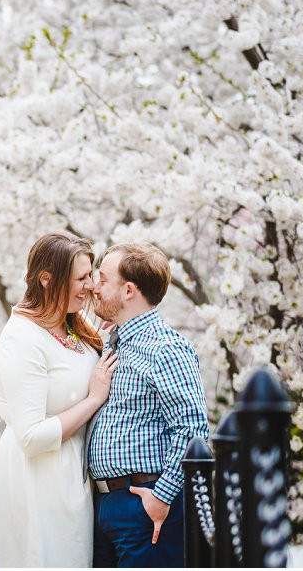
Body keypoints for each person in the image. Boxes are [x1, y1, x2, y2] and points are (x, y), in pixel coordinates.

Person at [0, 233, 119, 567]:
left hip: (73, 477)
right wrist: (93, 400)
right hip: (37, 480)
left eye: (91, 276)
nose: (90, 286)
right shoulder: (22, 338)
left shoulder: (74, 326)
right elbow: (30, 437)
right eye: (80, 278)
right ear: (47, 279)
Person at [88, 243, 210, 567]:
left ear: (128, 290)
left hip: (145, 502)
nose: (93, 288)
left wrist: (161, 496)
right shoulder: (117, 342)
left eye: (102, 280)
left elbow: (192, 427)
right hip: (106, 503)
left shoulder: (165, 347)